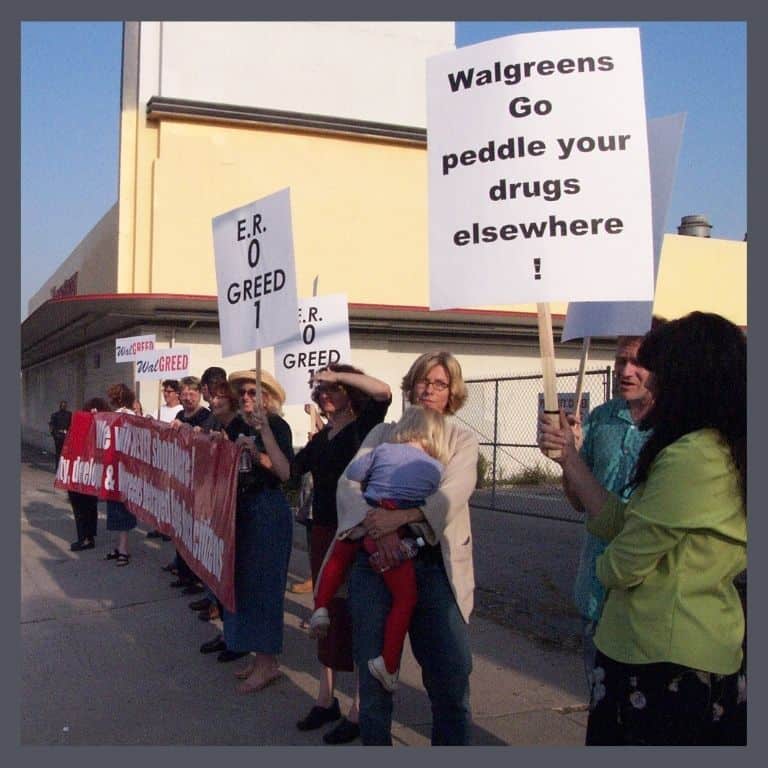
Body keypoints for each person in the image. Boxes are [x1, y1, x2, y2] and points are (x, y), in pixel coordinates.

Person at [538, 311, 746, 746]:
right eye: (623, 361)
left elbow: (621, 566)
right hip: (657, 648)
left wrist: (610, 561)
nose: (639, 377)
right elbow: (619, 519)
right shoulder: (701, 444)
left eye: (656, 367)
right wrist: (571, 460)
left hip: (664, 659)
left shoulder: (693, 456)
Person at [337, 351, 478, 746]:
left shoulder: (461, 440)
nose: (429, 390)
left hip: (435, 570)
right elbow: (349, 486)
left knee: (450, 680)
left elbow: (453, 493)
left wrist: (401, 519)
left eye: (439, 384)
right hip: (377, 565)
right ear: (411, 386)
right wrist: (377, 527)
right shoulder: (383, 434)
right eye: (423, 381)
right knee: (375, 678)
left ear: (452, 393)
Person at [310, 405, 446, 694]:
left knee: (336, 559)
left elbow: (355, 473)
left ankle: (321, 606)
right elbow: (434, 499)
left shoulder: (383, 449)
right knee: (405, 598)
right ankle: (388, 663)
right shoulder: (436, 468)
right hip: (396, 533)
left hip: (364, 522)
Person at [291, 364, 391, 745]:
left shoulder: (364, 427)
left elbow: (383, 391)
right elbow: (289, 468)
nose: (325, 394)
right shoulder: (323, 437)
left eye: (333, 389)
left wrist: (337, 374)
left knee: (360, 615)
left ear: (350, 391)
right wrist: (259, 431)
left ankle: (360, 708)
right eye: (320, 390)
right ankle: (326, 696)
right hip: (321, 532)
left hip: (356, 531)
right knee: (326, 612)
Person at [567, 321, 663, 694]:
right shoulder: (601, 419)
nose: (625, 371)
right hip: (597, 590)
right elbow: (578, 502)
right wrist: (568, 459)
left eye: (637, 362)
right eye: (620, 360)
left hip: (649, 596)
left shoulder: (677, 428)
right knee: (602, 703)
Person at [220, 369, 294, 692]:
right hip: (241, 509)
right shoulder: (236, 425)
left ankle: (267, 662)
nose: (247, 398)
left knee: (265, 586)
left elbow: (285, 472)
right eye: (244, 394)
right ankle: (258, 655)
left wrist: (258, 451)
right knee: (244, 584)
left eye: (254, 393)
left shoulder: (277, 426)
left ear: (269, 397)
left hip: (267, 509)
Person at [168, 376, 217, 593]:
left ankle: (197, 578)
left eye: (192, 393)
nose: (187, 397)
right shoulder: (179, 414)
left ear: (199, 394)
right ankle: (183, 572)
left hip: (199, 479)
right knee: (181, 526)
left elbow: (204, 439)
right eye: (184, 393)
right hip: (183, 476)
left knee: (195, 530)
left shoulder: (205, 415)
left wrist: (187, 427)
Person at [68, 397, 110, 552]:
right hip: (89, 471)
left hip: (83, 470)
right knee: (89, 505)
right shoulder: (100, 425)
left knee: (81, 506)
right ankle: (89, 536)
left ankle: (85, 538)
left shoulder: (97, 425)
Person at [103, 383, 138, 566]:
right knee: (117, 506)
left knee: (121, 507)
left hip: (121, 468)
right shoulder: (118, 415)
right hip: (117, 467)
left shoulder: (125, 416)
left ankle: (123, 549)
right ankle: (120, 546)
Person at [49, 400, 72, 468]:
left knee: (65, 452)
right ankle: (58, 466)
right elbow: (51, 425)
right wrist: (54, 434)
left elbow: (71, 424)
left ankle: (63, 467)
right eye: (62, 405)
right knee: (58, 452)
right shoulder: (55, 415)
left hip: (66, 435)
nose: (63, 407)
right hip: (58, 435)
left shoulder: (69, 414)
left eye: (64, 406)